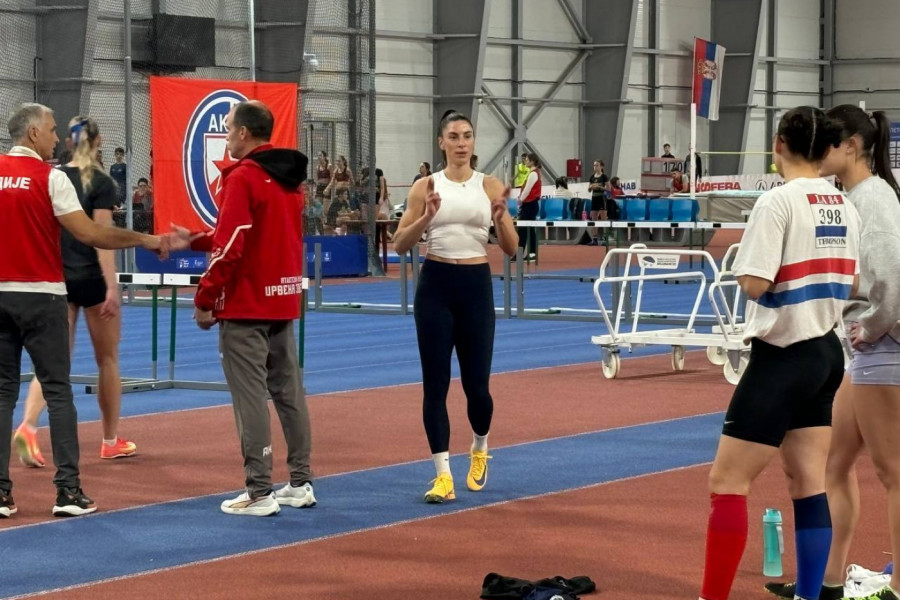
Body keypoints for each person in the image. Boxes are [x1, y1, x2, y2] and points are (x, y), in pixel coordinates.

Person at [698, 106, 860, 600]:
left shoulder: (777, 202)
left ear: (778, 145)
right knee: (808, 483)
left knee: (727, 481)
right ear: (826, 149)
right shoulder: (844, 203)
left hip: (784, 353)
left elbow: (753, 283)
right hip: (826, 351)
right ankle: (810, 595)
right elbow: (852, 282)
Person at [0, 103, 167, 518]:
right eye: (52, 129)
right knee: (59, 389)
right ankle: (68, 492)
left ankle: (2, 494)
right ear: (33, 133)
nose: (56, 137)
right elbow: (92, 233)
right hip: (44, 296)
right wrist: (145, 240)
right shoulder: (51, 178)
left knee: (2, 393)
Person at [766, 106, 900, 600]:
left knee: (893, 472)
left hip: (886, 347)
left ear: (852, 147)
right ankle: (829, 581)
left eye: (828, 143)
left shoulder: (874, 199)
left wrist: (872, 326)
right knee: (833, 465)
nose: (819, 151)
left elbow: (892, 278)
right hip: (865, 350)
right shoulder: (852, 197)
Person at [168, 100, 315, 517]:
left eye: (230, 128)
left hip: (246, 305)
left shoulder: (243, 177)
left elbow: (231, 246)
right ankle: (300, 482)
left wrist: (205, 298)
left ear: (245, 133)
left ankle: (259, 491)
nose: (227, 136)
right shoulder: (288, 179)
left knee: (249, 397)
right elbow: (246, 233)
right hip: (282, 300)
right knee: (289, 393)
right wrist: (195, 239)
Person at [392, 109, 517, 503]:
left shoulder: (490, 185)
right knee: (435, 385)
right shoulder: (425, 186)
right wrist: (426, 218)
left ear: (473, 142)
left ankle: (479, 446)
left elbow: (512, 249)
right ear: (441, 142)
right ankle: (442, 475)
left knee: (477, 387)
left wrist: (501, 219)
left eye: (467, 136)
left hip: (475, 288)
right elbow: (400, 244)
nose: (461, 143)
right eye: (454, 136)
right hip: (436, 287)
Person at [13, 116, 136, 470]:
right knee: (107, 359)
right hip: (91, 279)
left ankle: (28, 426)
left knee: (53, 362)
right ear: (98, 143)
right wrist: (112, 286)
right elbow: (102, 238)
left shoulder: (52, 177)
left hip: (58, 279)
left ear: (68, 142)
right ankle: (110, 441)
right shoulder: (102, 182)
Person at [516, 153, 542, 260]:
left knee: (522, 230)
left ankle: (519, 254)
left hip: (530, 205)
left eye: (527, 160)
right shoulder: (533, 173)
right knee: (530, 230)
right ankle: (532, 254)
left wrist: (520, 200)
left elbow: (527, 190)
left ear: (532, 161)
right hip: (530, 205)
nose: (525, 161)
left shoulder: (533, 174)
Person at [587, 159, 610, 245]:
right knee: (594, 219)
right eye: (594, 165)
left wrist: (600, 187)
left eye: (597, 165)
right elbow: (588, 189)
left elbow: (609, 189)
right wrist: (591, 187)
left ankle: (605, 238)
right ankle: (594, 239)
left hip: (602, 198)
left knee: (603, 218)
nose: (595, 167)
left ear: (601, 166)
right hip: (594, 198)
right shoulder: (592, 177)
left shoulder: (604, 177)